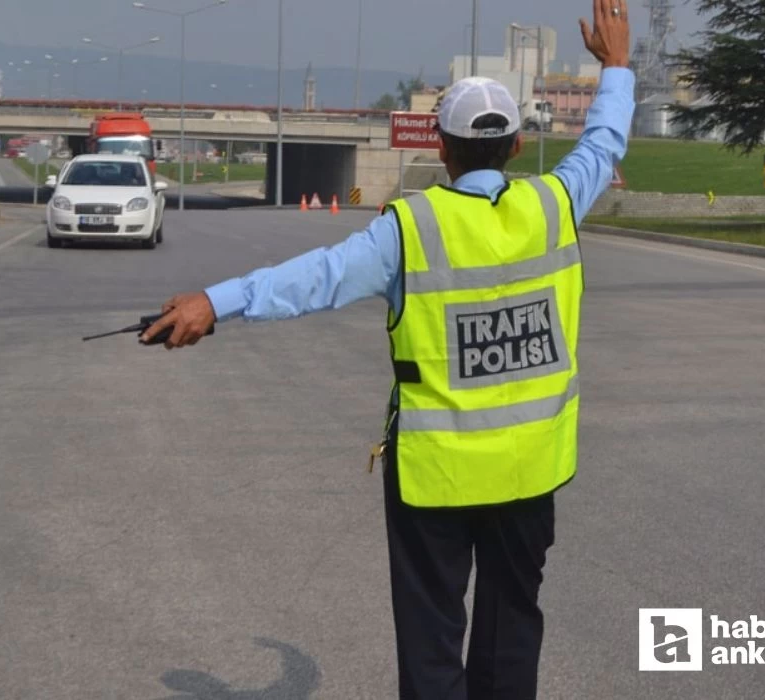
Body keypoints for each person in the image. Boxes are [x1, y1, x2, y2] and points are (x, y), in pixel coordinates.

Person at [141, 1, 632, 697]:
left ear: (442, 147)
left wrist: (215, 301)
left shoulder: (411, 228)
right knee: (511, 626)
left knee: (433, 641)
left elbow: (315, 279)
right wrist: (615, 67)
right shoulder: (555, 205)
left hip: (437, 477)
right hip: (530, 469)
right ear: (517, 146)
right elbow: (604, 142)